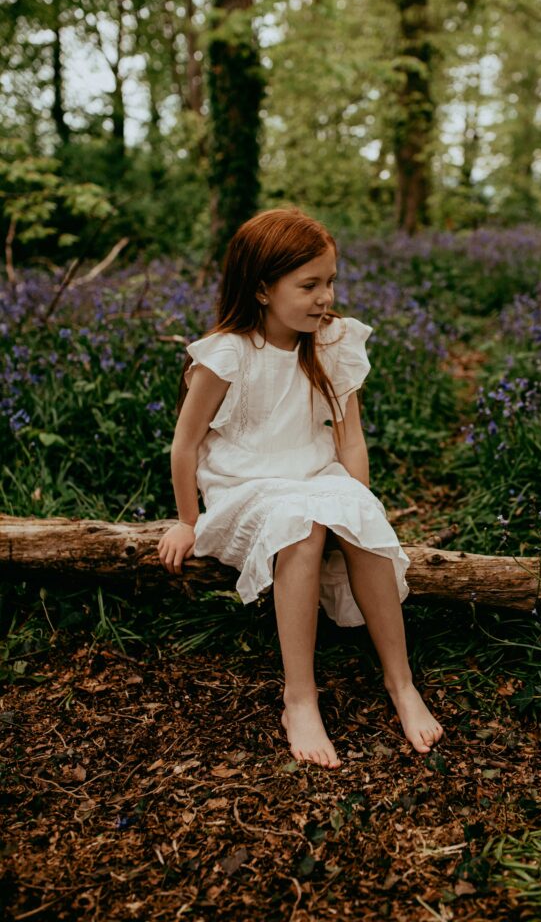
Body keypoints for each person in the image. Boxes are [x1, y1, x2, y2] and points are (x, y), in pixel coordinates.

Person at [158, 207, 444, 768]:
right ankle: (300, 697)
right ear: (263, 289)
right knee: (303, 526)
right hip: (247, 482)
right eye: (308, 285)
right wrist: (187, 521)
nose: (324, 297)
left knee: (356, 521)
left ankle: (401, 682)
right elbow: (185, 446)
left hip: (313, 471)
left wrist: (360, 503)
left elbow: (350, 439)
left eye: (330, 281)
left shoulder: (332, 342)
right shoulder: (229, 352)